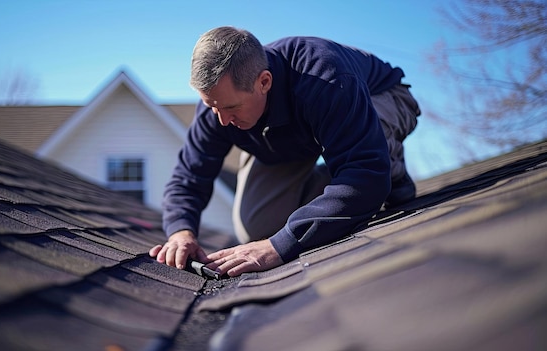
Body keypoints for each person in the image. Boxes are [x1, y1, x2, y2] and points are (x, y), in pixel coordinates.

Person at [149, 26, 420, 277]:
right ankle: (339, 179)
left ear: (264, 82)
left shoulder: (325, 76)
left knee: (367, 174)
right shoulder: (218, 106)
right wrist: (181, 233)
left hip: (382, 98)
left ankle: (385, 162)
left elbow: (364, 176)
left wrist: (278, 246)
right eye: (212, 107)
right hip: (294, 142)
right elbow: (188, 176)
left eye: (231, 109)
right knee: (257, 228)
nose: (221, 120)